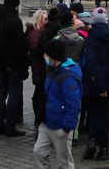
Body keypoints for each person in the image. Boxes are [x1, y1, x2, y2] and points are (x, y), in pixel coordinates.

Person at [34, 39, 82, 169]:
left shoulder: (68, 76)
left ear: (53, 55)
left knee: (64, 162)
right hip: (47, 122)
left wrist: (67, 127)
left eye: (46, 54)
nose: (44, 56)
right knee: (38, 152)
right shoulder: (52, 70)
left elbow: (74, 104)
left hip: (61, 126)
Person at [81, 9, 109, 160]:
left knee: (93, 114)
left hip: (93, 82)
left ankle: (92, 143)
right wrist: (105, 82)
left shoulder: (91, 38)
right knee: (104, 116)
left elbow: (91, 63)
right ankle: (103, 148)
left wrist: (99, 80)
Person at [0, 0, 29, 137]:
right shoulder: (14, 20)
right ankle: (10, 127)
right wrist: (24, 63)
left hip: (0, 62)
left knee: (1, 93)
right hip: (13, 63)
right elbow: (19, 45)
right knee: (14, 95)